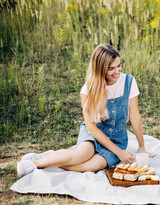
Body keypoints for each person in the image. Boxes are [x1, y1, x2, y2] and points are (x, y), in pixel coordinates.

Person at [17, 44, 151, 177]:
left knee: (93, 166)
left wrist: (141, 146)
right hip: (94, 133)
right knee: (82, 154)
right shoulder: (88, 89)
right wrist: (119, 153)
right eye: (111, 68)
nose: (117, 72)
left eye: (119, 66)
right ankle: (35, 163)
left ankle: (53, 157)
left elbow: (135, 116)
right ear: (100, 69)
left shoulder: (129, 82)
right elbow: (92, 129)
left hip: (117, 139)